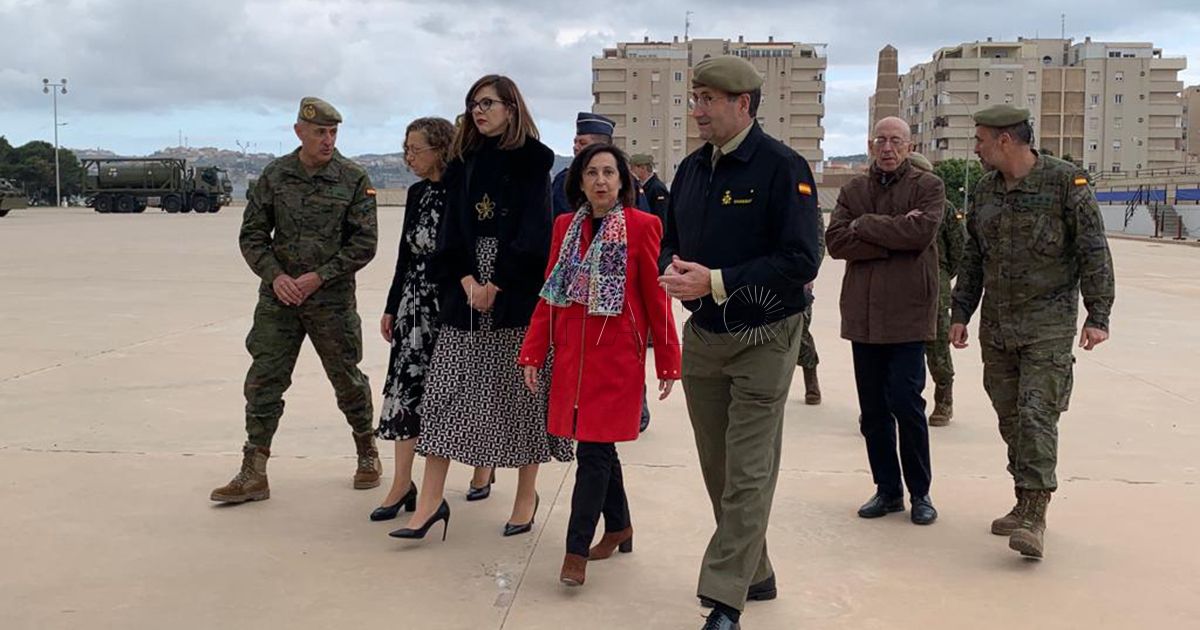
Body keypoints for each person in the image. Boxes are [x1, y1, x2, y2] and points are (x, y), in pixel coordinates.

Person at [658, 55, 821, 630]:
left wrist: (719, 281)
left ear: (742, 104)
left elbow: (803, 259)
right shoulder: (691, 170)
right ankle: (758, 571)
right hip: (704, 334)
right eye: (694, 98)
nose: (696, 110)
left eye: (707, 99)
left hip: (765, 335)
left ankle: (725, 600)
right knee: (719, 467)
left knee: (749, 470)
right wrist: (672, 274)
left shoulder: (783, 167)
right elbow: (671, 239)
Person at [389, 75, 573, 542]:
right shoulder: (464, 163)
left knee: (519, 394)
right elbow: (451, 231)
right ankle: (429, 504)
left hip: (514, 290)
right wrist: (468, 277)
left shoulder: (535, 159)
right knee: (447, 393)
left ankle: (525, 495)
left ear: (512, 107)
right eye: (473, 103)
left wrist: (499, 282)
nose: (478, 111)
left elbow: (535, 231)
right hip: (464, 288)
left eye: (488, 102)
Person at [951, 104, 1114, 558]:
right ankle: (1025, 498)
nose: (977, 148)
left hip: (1048, 326)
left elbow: (1094, 252)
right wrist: (960, 312)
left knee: (1036, 415)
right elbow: (973, 258)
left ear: (1006, 139)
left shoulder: (1066, 182)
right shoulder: (985, 190)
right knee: (1009, 418)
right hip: (997, 327)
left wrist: (1098, 315)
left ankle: (1035, 516)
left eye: (981, 139)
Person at [519, 143, 681, 587]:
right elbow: (550, 295)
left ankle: (575, 551)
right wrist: (533, 351)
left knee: (591, 451)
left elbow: (656, 297)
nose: (601, 181)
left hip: (616, 361)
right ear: (580, 181)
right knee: (599, 448)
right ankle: (620, 527)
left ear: (624, 181)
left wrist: (668, 359)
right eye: (592, 173)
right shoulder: (564, 228)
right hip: (573, 357)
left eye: (610, 172)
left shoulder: (643, 226)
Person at [211, 97, 379, 503]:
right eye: (320, 131)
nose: (327, 139)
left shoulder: (353, 178)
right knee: (264, 379)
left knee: (346, 378)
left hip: (331, 301)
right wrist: (277, 276)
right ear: (299, 131)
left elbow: (365, 242)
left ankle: (366, 450)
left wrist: (320, 276)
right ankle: (254, 471)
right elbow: (252, 235)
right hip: (280, 300)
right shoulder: (275, 175)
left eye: (333, 132)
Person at [371, 117, 495, 521]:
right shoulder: (417, 193)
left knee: (458, 391)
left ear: (440, 149)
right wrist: (393, 306)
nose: (408, 157)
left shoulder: (465, 191)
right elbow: (405, 257)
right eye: (405, 149)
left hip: (453, 304)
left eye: (415, 149)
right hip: (413, 305)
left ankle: (481, 468)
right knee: (406, 391)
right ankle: (401, 483)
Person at [827, 117, 944, 526]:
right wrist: (889, 238)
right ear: (870, 144)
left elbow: (920, 235)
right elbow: (836, 242)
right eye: (881, 140)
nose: (888, 148)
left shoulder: (928, 187)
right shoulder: (854, 189)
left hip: (909, 315)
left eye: (896, 141)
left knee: (906, 403)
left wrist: (866, 226)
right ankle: (888, 490)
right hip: (864, 316)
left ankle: (921, 493)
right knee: (873, 410)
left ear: (910, 146)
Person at [908, 152, 966, 427]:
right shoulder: (894, 203)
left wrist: (942, 275)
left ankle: (944, 400)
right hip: (900, 281)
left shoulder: (944, 207)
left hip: (935, 281)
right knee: (897, 345)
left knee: (937, 342)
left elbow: (960, 250)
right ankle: (895, 402)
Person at [796, 208, 826, 405]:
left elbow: (818, 244)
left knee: (800, 329)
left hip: (798, 274)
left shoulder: (808, 203)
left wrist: (808, 272)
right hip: (764, 272)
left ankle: (810, 375)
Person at [629, 153, 670, 224]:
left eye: (633, 168)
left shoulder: (657, 188)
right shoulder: (640, 185)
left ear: (643, 168)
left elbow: (661, 216)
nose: (631, 171)